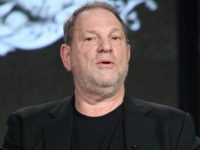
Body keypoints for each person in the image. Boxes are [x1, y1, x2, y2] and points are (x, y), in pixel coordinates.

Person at [2, 2, 200, 150]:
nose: (106, 47)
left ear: (127, 53)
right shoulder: (26, 129)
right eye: (90, 38)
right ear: (67, 56)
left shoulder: (173, 128)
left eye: (115, 38)